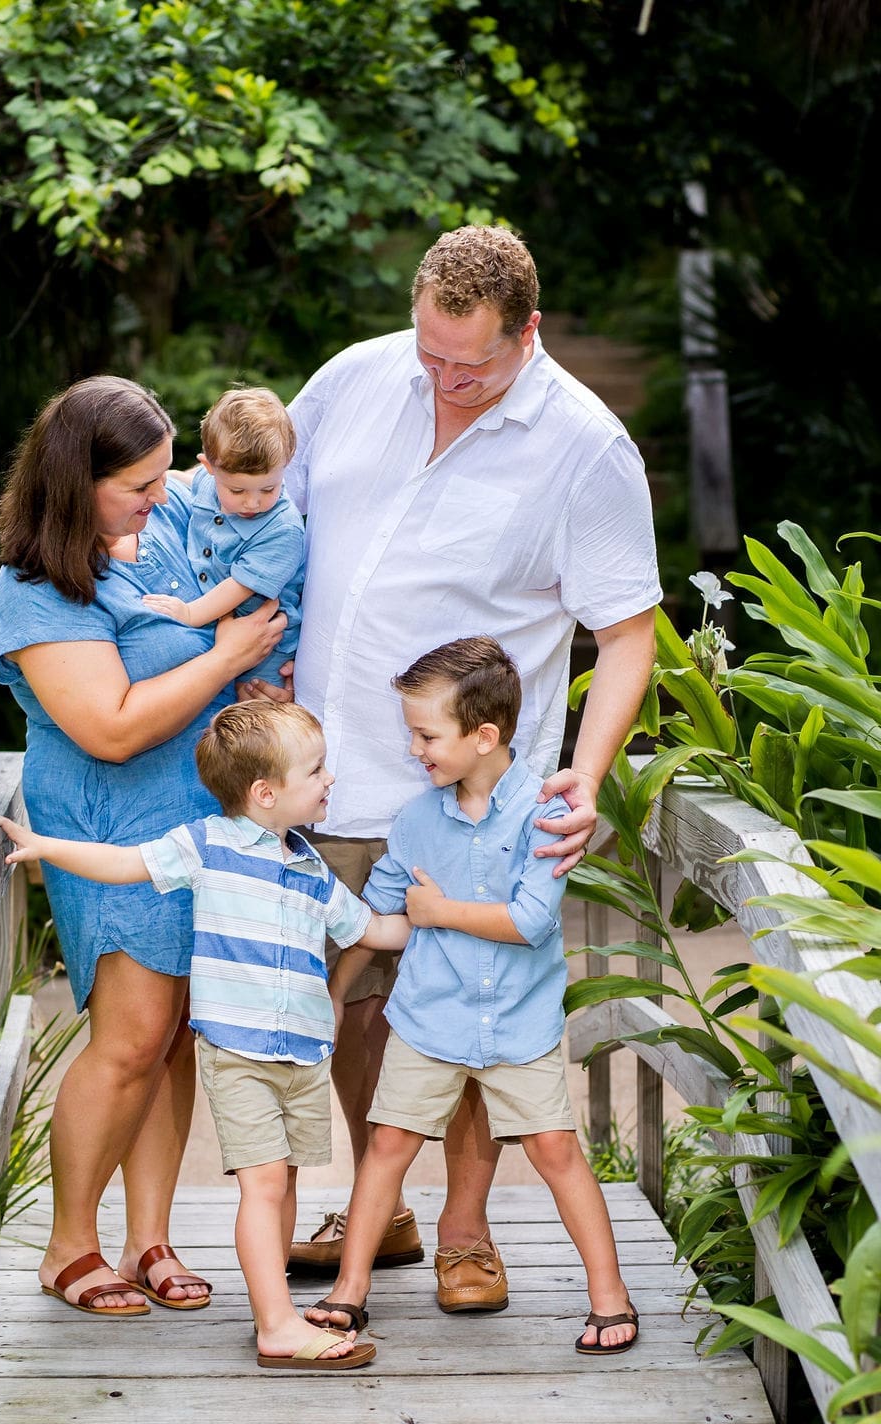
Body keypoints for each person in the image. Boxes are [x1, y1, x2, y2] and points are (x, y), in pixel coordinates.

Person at [247, 224, 660, 1323]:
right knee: (336, 1015)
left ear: (528, 329)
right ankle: (374, 1209)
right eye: (429, 352)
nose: (442, 378)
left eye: (467, 363)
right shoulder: (353, 378)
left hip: (466, 794)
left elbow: (626, 635)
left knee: (463, 1018)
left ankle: (469, 1234)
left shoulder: (584, 448)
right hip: (320, 774)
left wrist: (579, 772)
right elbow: (268, 522)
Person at [0, 376, 286, 1318]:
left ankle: (148, 1236)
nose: (162, 501)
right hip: (110, 824)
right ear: (77, 482)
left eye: (164, 481)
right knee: (129, 1039)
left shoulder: (148, 546)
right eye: (140, 486)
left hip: (196, 820)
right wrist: (225, 661)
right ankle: (68, 1242)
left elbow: (184, 666)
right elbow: (110, 726)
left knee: (179, 1037)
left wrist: (243, 698)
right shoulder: (34, 592)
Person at [0, 699, 409, 1369]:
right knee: (263, 1182)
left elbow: (373, 931)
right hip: (238, 1053)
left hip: (300, 1053)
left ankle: (280, 1312)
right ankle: (276, 1325)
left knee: (285, 1182)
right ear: (266, 793)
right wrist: (45, 847)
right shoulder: (206, 845)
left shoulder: (309, 868)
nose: (331, 780)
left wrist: (447, 913)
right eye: (318, 769)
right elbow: (124, 864)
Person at [305, 638, 638, 1354]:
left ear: (484, 736)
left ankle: (610, 1297)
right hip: (430, 1017)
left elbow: (528, 921)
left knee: (555, 1149)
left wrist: (440, 912)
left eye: (426, 735)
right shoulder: (417, 820)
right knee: (387, 1143)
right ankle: (349, 1293)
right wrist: (336, 990)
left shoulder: (544, 811)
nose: (415, 748)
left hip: (520, 1021)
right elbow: (385, 917)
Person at [142, 386, 304, 687]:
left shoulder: (282, 529)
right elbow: (188, 481)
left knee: (256, 721)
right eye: (237, 491)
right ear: (210, 467)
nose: (253, 503)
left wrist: (189, 613)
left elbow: (238, 587)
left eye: (269, 489)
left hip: (267, 646)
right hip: (219, 628)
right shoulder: (206, 481)